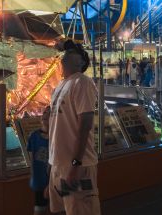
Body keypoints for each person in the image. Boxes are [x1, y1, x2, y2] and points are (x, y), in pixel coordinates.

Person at [48, 40, 100, 215]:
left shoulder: (82, 82)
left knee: (81, 210)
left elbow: (85, 125)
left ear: (81, 62)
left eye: (75, 52)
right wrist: (52, 166)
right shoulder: (60, 86)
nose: (68, 53)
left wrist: (76, 164)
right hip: (58, 166)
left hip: (77, 166)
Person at [27, 107, 51, 215]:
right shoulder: (33, 136)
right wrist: (33, 176)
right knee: (40, 208)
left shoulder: (58, 137)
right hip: (40, 180)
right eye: (44, 112)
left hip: (55, 179)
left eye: (49, 113)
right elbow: (31, 159)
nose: (45, 115)